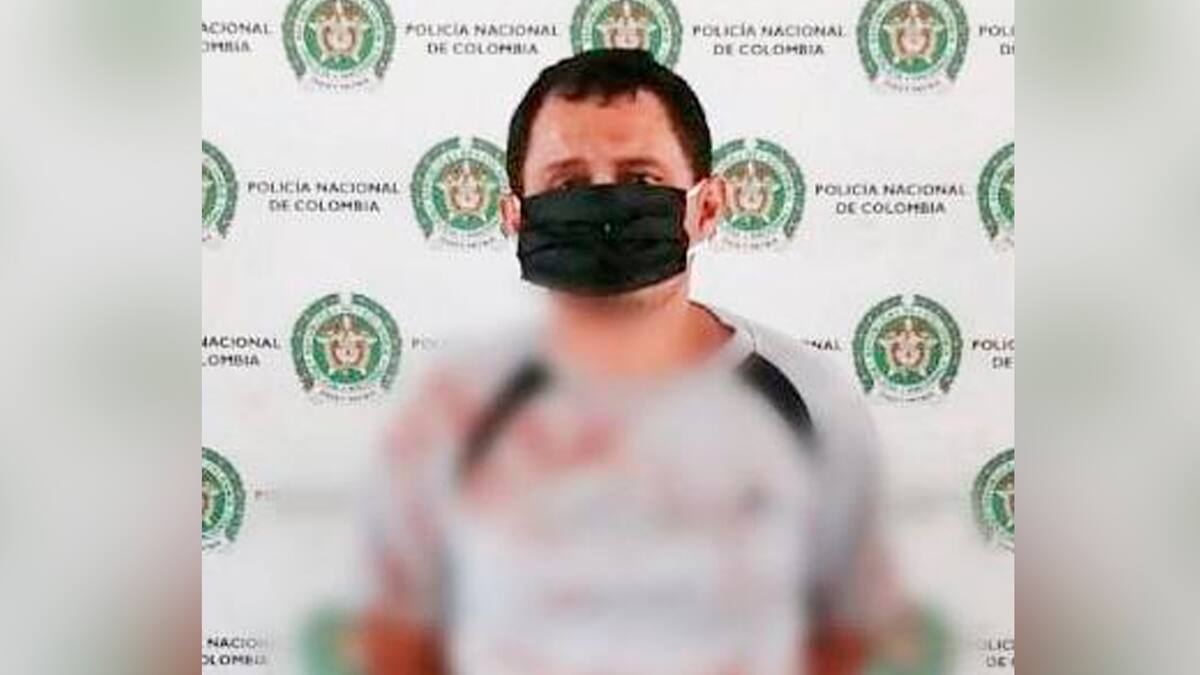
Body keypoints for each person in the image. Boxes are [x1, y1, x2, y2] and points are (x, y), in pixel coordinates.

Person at [362, 49, 903, 675]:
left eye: (640, 180)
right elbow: (401, 643)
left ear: (706, 208)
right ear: (515, 216)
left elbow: (851, 640)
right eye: (568, 184)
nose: (605, 209)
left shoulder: (810, 403)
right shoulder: (455, 411)